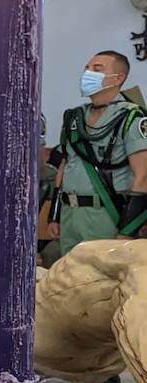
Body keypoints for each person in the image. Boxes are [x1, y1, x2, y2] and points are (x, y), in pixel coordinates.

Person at [50, 50, 147, 255]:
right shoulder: (74, 118)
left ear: (118, 78)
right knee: (70, 273)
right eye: (87, 68)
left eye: (97, 69)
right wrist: (54, 214)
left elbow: (143, 176)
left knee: (103, 273)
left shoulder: (131, 117)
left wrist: (127, 230)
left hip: (106, 215)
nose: (88, 73)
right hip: (70, 215)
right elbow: (65, 164)